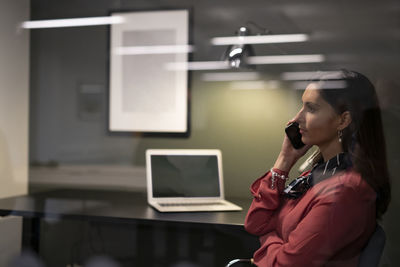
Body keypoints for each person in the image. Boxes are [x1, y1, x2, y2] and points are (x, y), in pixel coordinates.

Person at [244, 70, 391, 267]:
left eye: (311, 109)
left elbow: (283, 264)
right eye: (301, 106)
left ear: (343, 120)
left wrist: (269, 238)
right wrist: (285, 160)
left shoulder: (346, 192)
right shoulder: (321, 175)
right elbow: (256, 223)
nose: (296, 119)